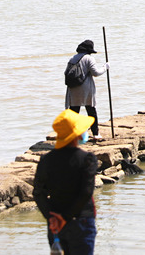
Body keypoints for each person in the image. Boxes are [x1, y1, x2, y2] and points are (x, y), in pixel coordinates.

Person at [34, 109, 99, 255]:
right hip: (81, 221)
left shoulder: (46, 160)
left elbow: (38, 193)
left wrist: (52, 218)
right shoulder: (87, 159)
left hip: (55, 225)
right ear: (77, 135)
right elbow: (86, 193)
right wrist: (65, 218)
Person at [65, 40, 108, 142]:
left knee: (74, 111)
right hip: (85, 89)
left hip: (73, 87)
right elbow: (95, 73)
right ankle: (96, 134)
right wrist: (105, 67)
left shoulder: (72, 58)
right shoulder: (89, 58)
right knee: (91, 111)